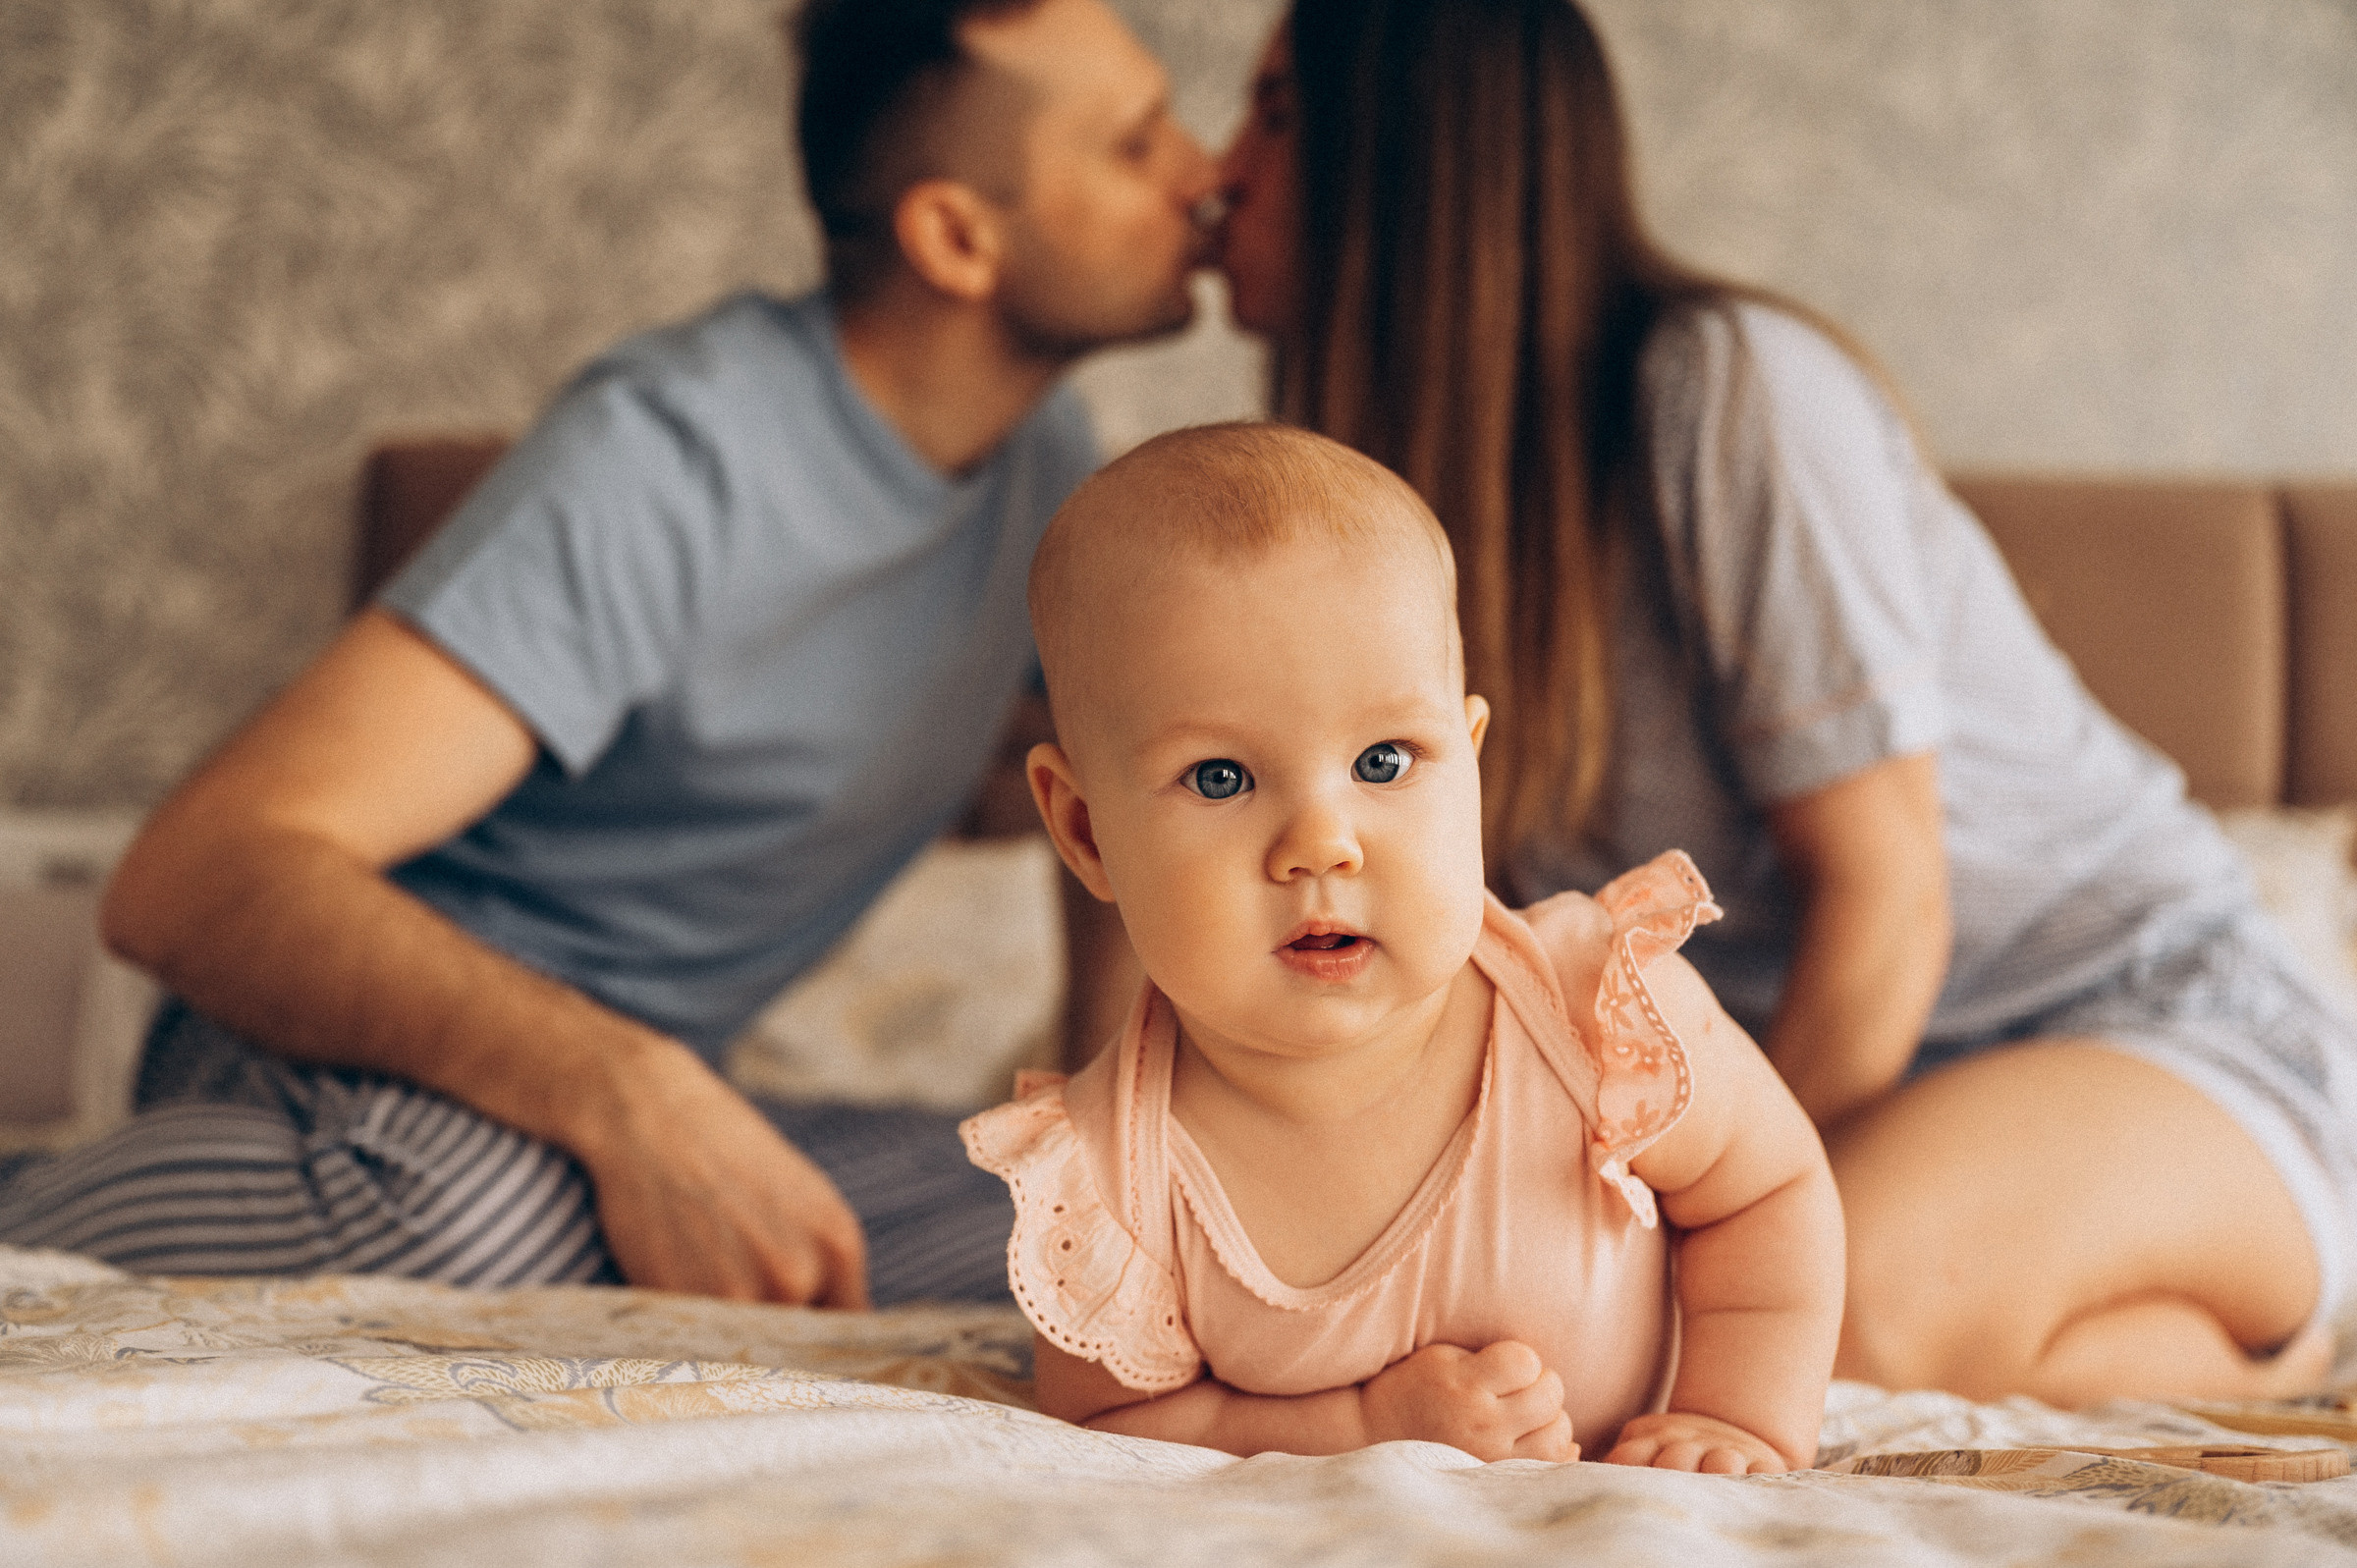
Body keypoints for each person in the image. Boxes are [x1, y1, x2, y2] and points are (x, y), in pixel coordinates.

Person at [1207, 0, 2357, 1406]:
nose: (1217, 172)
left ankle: (2291, 1341)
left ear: (1414, 156)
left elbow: (1890, 907)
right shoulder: (1393, 525)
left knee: (1824, 1317)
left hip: (2137, 1018)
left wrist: (1698, 1239)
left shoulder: (1723, 391)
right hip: (1832, 1105)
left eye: (1270, 115)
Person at [0, 0, 1217, 1309]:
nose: (1202, 174)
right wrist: (630, 1093)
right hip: (342, 1074)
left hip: (632, 1098)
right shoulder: (669, 457)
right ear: (957, 237)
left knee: (1109, 1251)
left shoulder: (1048, 470)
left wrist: (1114, 1135)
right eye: (1138, 143)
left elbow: (1114, 804)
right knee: (472, 1226)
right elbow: (192, 877)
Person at [963, 424, 1843, 1472]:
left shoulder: (1592, 1014)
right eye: (1221, 778)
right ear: (1086, 830)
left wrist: (1734, 1416)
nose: (1320, 842)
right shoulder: (1111, 1173)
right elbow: (1110, 1429)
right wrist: (1362, 1429)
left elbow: (1770, 1193)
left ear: (1467, 761)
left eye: (1384, 760)